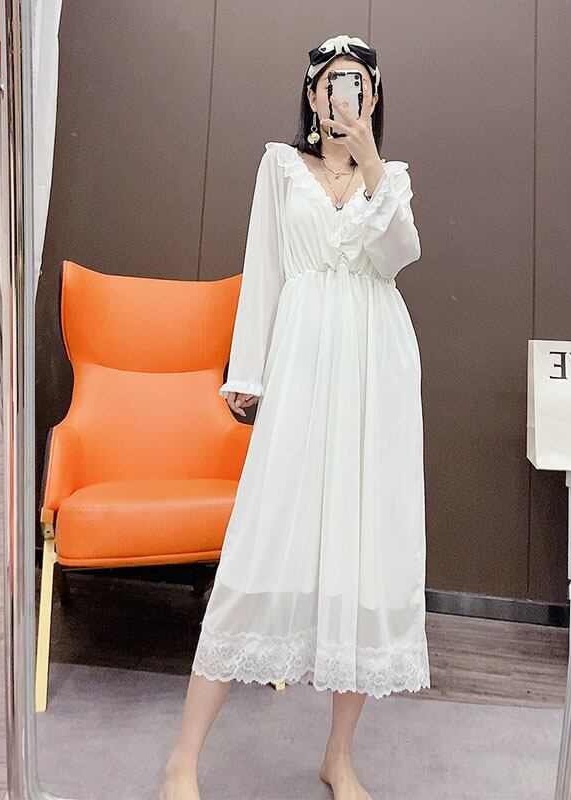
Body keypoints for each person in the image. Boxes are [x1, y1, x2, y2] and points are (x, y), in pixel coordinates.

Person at [159, 33, 429, 800]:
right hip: (305, 363)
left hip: (376, 369)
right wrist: (248, 372)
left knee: (368, 550)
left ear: (374, 97)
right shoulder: (280, 167)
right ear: (312, 96)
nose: (347, 93)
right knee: (262, 539)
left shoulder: (392, 179)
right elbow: (266, 269)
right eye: (334, 81)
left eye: (360, 83)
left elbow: (398, 255)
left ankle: (339, 756)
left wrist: (371, 162)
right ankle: (183, 761)